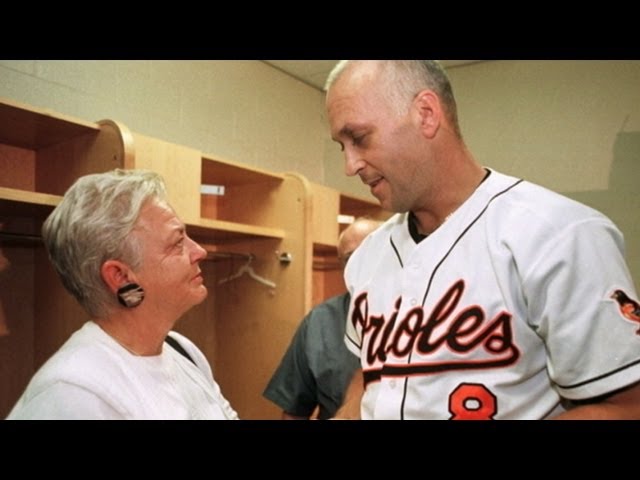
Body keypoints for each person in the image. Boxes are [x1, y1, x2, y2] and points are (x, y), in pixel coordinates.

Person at [324, 60, 640, 419]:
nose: (350, 165)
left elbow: (628, 407)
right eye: (341, 146)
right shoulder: (367, 256)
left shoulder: (560, 234)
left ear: (426, 114)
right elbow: (371, 378)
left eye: (359, 138)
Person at [7, 169, 238, 419]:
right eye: (177, 243)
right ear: (120, 277)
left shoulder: (182, 350)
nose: (200, 252)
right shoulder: (74, 393)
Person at [263, 217, 381, 419]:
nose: (360, 265)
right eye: (350, 259)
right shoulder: (320, 323)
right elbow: (294, 411)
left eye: (370, 253)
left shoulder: (427, 313)